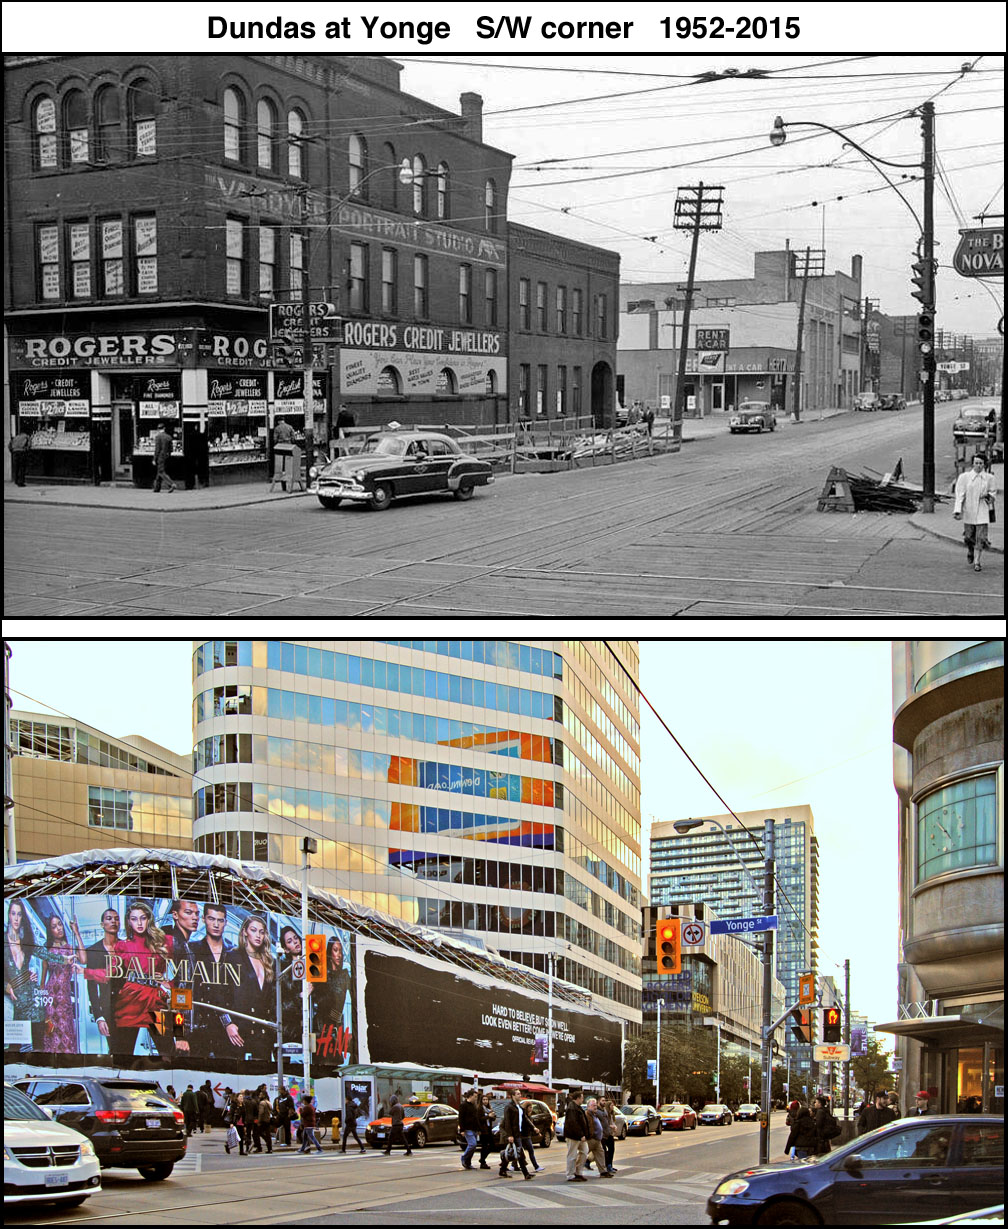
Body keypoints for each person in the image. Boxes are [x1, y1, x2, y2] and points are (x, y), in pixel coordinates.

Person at [189, 902, 240, 1058]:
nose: (216, 924)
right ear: (204, 919)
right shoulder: (192, 949)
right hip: (200, 1024)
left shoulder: (233, 951)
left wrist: (229, 1022)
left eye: (220, 920)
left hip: (228, 1027)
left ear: (226, 922)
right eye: (212, 919)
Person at [230, 914, 275, 1060]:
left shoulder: (269, 961)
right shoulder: (234, 957)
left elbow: (273, 997)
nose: (258, 936)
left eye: (261, 932)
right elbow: (224, 993)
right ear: (245, 932)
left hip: (264, 1030)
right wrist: (228, 1023)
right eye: (254, 930)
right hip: (241, 1028)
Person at [39, 913, 86, 1053]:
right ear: (50, 930)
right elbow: (43, 981)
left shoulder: (69, 947)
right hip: (50, 997)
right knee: (52, 1029)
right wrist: (42, 1001)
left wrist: (76, 932)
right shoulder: (46, 950)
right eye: (54, 926)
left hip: (64, 997)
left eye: (60, 924)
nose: (59, 928)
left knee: (66, 1028)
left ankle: (68, 1060)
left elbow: (83, 959)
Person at [953, 453, 998, 572]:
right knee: (968, 536)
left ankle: (977, 561)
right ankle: (970, 549)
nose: (978, 465)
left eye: (981, 463)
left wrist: (988, 496)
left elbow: (993, 493)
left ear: (984, 464)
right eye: (976, 463)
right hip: (969, 510)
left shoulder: (989, 478)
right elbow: (959, 495)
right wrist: (958, 510)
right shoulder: (964, 477)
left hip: (983, 510)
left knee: (981, 537)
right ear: (972, 463)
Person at [84, 907, 121, 1052]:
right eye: (109, 918)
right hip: (107, 1007)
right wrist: (99, 1017)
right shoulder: (93, 951)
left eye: (116, 918)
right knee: (113, 1048)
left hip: (128, 1005)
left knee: (127, 1048)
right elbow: (91, 986)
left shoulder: (126, 947)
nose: (113, 921)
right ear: (102, 924)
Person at [4, 898, 42, 1035]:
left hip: (25, 1003)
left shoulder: (26, 942)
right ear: (9, 915)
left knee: (27, 1042)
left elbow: (43, 955)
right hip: (7, 1003)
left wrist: (28, 976)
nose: (16, 918)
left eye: (19, 914)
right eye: (13, 913)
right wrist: (6, 987)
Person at [498, 1089, 532, 1179]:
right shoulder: (509, 1107)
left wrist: (533, 1127)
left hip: (518, 1133)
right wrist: (509, 1135)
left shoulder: (519, 1107)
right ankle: (526, 1173)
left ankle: (502, 1169)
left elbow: (525, 1119)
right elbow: (507, 1122)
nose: (519, 1095)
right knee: (518, 1152)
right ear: (513, 1096)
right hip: (513, 1133)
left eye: (520, 1093)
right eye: (517, 1094)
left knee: (513, 1152)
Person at [563, 1089, 589, 1182]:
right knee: (572, 1155)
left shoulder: (577, 1107)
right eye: (582, 1098)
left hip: (580, 1136)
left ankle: (578, 1172)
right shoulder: (572, 1108)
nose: (583, 1100)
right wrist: (581, 1134)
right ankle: (570, 1175)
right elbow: (573, 1123)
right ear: (577, 1098)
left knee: (585, 1151)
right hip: (573, 1135)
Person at [585, 1098, 612, 1178]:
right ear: (588, 1106)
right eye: (593, 1105)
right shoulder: (587, 1115)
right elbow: (586, 1126)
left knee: (600, 1155)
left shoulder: (594, 1114)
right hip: (591, 1139)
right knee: (582, 1154)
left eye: (596, 1105)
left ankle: (603, 1172)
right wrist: (588, 1135)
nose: (595, 1107)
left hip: (597, 1139)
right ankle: (575, 1171)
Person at [458, 1089, 480, 1169]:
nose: (476, 1098)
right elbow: (461, 1118)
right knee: (472, 1144)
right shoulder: (463, 1105)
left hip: (473, 1128)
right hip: (467, 1128)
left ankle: (468, 1162)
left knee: (474, 1146)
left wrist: (478, 1129)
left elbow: (476, 1117)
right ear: (470, 1096)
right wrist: (462, 1130)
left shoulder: (474, 1106)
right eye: (475, 1097)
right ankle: (464, 1157)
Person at [152, 421, 176, 493]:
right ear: (164, 428)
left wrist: (154, 459)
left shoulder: (158, 437)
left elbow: (157, 449)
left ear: (158, 429)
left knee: (161, 471)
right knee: (159, 471)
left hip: (160, 457)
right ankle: (157, 488)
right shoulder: (169, 437)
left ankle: (171, 484)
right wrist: (168, 454)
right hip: (166, 456)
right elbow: (171, 449)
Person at [477, 1092, 496, 1169]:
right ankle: (483, 1162)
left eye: (486, 1100)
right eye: (484, 1099)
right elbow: (480, 1119)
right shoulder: (480, 1109)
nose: (485, 1101)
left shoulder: (489, 1109)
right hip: (483, 1130)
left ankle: (482, 1159)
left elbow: (493, 1118)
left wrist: (492, 1116)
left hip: (488, 1129)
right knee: (484, 1146)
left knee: (492, 1145)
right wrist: (488, 1116)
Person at [599, 1097, 617, 1174]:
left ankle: (609, 1165)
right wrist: (611, 1126)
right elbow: (604, 1123)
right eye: (611, 1105)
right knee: (602, 1151)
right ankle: (607, 1166)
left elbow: (610, 1122)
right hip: (603, 1134)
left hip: (609, 1134)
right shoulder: (604, 1113)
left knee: (611, 1149)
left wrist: (614, 1127)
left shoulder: (611, 1114)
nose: (613, 1107)